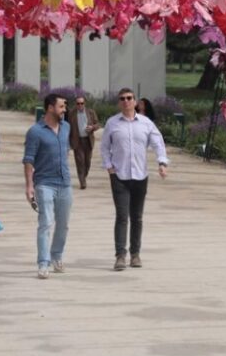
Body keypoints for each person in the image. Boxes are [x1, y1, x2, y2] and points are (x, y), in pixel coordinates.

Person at [100, 88, 170, 271]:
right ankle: (120, 256)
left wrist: (162, 162)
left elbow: (158, 143)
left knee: (137, 217)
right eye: (122, 98)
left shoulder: (146, 123)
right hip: (119, 176)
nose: (126, 101)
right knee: (122, 216)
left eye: (129, 98)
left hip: (140, 175)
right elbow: (104, 146)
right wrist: (108, 165)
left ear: (135, 101)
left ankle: (135, 254)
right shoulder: (112, 123)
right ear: (118, 102)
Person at [23, 92, 72, 280]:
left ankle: (56, 256)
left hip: (65, 183)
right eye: (61, 106)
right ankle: (43, 263)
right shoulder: (35, 131)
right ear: (50, 108)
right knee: (45, 223)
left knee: (64, 224)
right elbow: (28, 160)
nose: (64, 110)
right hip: (44, 184)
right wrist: (29, 186)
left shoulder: (66, 127)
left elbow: (65, 151)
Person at [67, 96, 100, 189]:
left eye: (82, 103)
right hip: (77, 141)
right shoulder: (72, 113)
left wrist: (92, 127)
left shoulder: (90, 112)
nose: (80, 105)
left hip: (88, 140)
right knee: (80, 162)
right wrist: (68, 142)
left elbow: (98, 124)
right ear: (75, 104)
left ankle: (83, 176)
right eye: (78, 103)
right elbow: (68, 127)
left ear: (84, 104)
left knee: (87, 162)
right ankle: (82, 182)